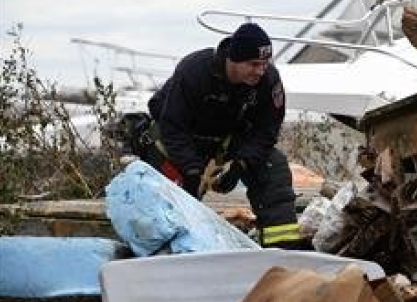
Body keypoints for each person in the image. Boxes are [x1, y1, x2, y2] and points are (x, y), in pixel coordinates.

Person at [132, 22, 310, 250]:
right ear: (233, 60)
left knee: (273, 167)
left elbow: (266, 131)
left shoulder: (268, 81)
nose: (260, 71)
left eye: (264, 64)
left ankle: (282, 249)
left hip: (229, 140)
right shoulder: (193, 71)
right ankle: (164, 250)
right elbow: (172, 127)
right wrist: (193, 171)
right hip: (182, 141)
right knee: (170, 191)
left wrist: (240, 165)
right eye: (253, 64)